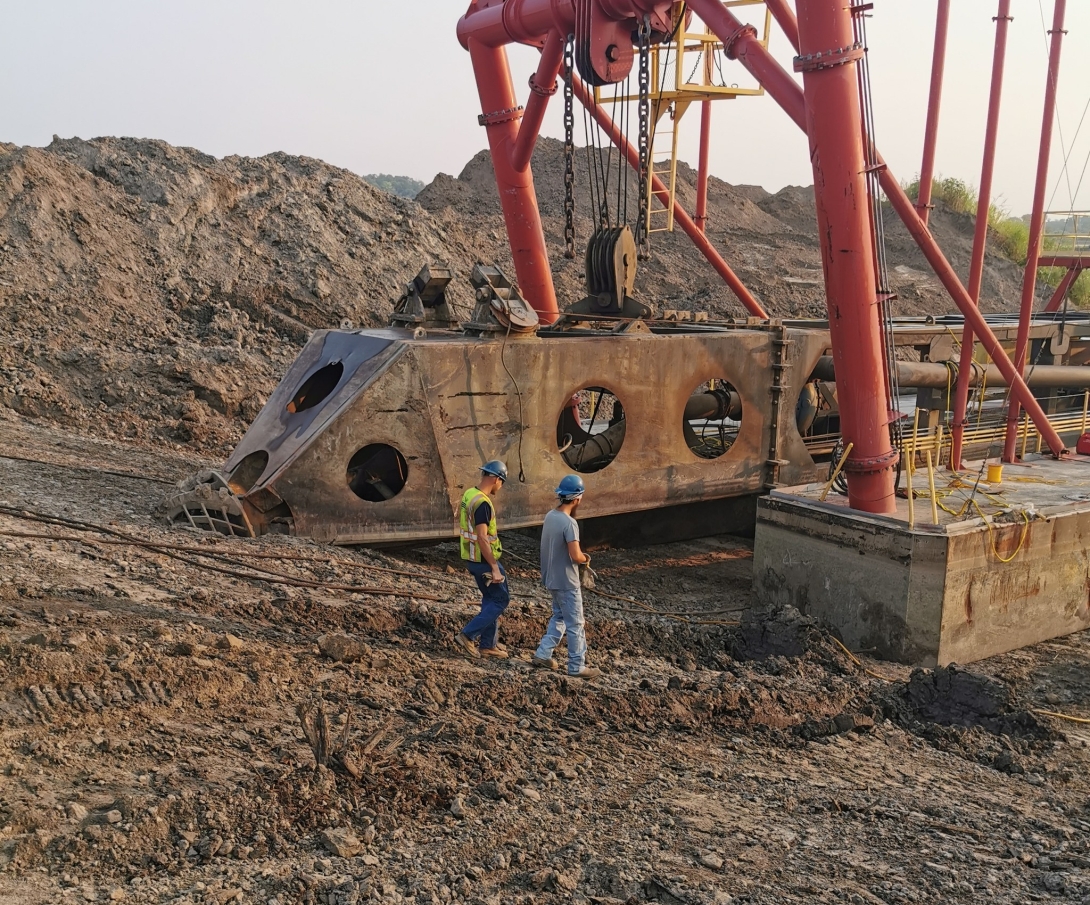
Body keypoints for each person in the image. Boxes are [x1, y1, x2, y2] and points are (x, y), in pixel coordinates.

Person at [532, 474, 601, 679]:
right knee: (576, 623)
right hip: (567, 582)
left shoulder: (550, 516)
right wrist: (585, 558)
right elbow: (575, 554)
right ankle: (576, 666)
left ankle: (543, 653)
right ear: (577, 498)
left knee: (560, 616)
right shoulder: (570, 524)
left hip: (551, 578)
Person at [453, 460, 510, 659]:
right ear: (496, 479)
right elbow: (482, 537)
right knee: (501, 599)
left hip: (471, 557)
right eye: (501, 482)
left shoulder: (470, 494)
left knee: (490, 598)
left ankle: (488, 645)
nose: (500, 487)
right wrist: (494, 566)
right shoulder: (483, 504)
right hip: (483, 559)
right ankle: (467, 635)